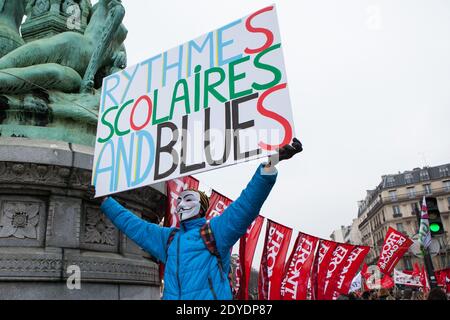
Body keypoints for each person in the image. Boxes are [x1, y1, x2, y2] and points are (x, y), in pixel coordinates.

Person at [94, 138, 303, 300]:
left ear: (202, 209)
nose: (181, 203)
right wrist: (105, 201)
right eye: (180, 200)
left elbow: (246, 205)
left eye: (189, 199)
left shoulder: (215, 233)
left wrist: (272, 162)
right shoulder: (168, 239)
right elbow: (135, 227)